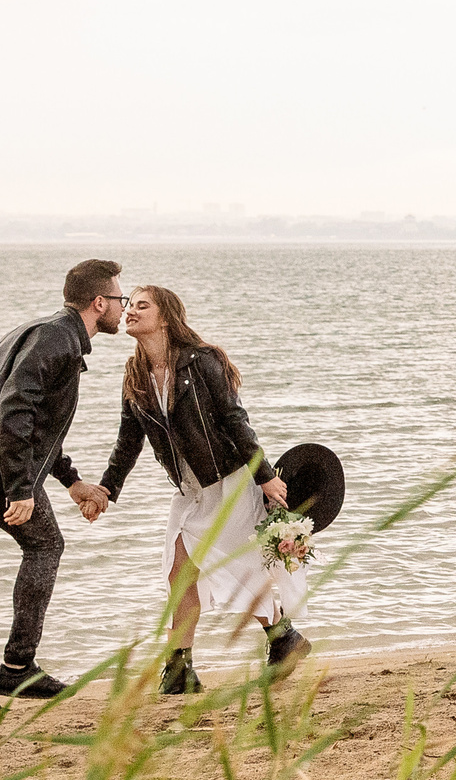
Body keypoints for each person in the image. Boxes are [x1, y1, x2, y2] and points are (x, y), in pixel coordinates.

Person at [0, 259, 122, 719]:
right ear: (98, 303)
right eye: (119, 300)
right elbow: (13, 412)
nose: (120, 308)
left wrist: (70, 481)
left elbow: (35, 425)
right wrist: (19, 489)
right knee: (46, 545)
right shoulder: (59, 339)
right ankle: (17, 668)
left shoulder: (42, 330)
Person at [98, 285, 311, 694]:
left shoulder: (203, 361)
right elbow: (128, 442)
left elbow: (235, 420)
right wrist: (107, 490)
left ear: (165, 317)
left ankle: (279, 639)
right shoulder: (134, 374)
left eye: (142, 306)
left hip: (230, 482)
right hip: (190, 491)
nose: (130, 311)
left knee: (241, 570)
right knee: (180, 574)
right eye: (130, 305)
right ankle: (190, 668)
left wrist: (265, 475)